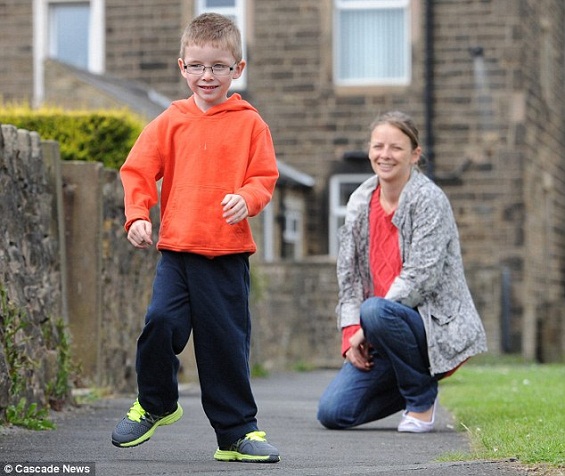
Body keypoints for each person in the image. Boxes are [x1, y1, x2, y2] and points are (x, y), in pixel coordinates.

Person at [111, 13, 280, 463]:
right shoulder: (171, 121)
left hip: (226, 256)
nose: (208, 76)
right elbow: (138, 170)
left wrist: (247, 198)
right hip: (178, 254)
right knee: (160, 323)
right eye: (198, 66)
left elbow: (264, 177)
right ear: (182, 66)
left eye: (218, 66)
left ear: (237, 69)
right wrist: (137, 216)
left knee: (224, 346)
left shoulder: (250, 125)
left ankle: (237, 434)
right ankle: (156, 403)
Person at [317, 111, 487, 433]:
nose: (385, 155)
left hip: (429, 326)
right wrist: (351, 333)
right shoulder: (359, 202)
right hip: (379, 328)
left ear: (414, 154)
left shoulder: (428, 200)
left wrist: (367, 325)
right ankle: (412, 375)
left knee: (377, 310)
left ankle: (421, 401)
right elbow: (349, 276)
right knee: (333, 412)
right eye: (378, 146)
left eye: (395, 147)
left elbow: (421, 278)